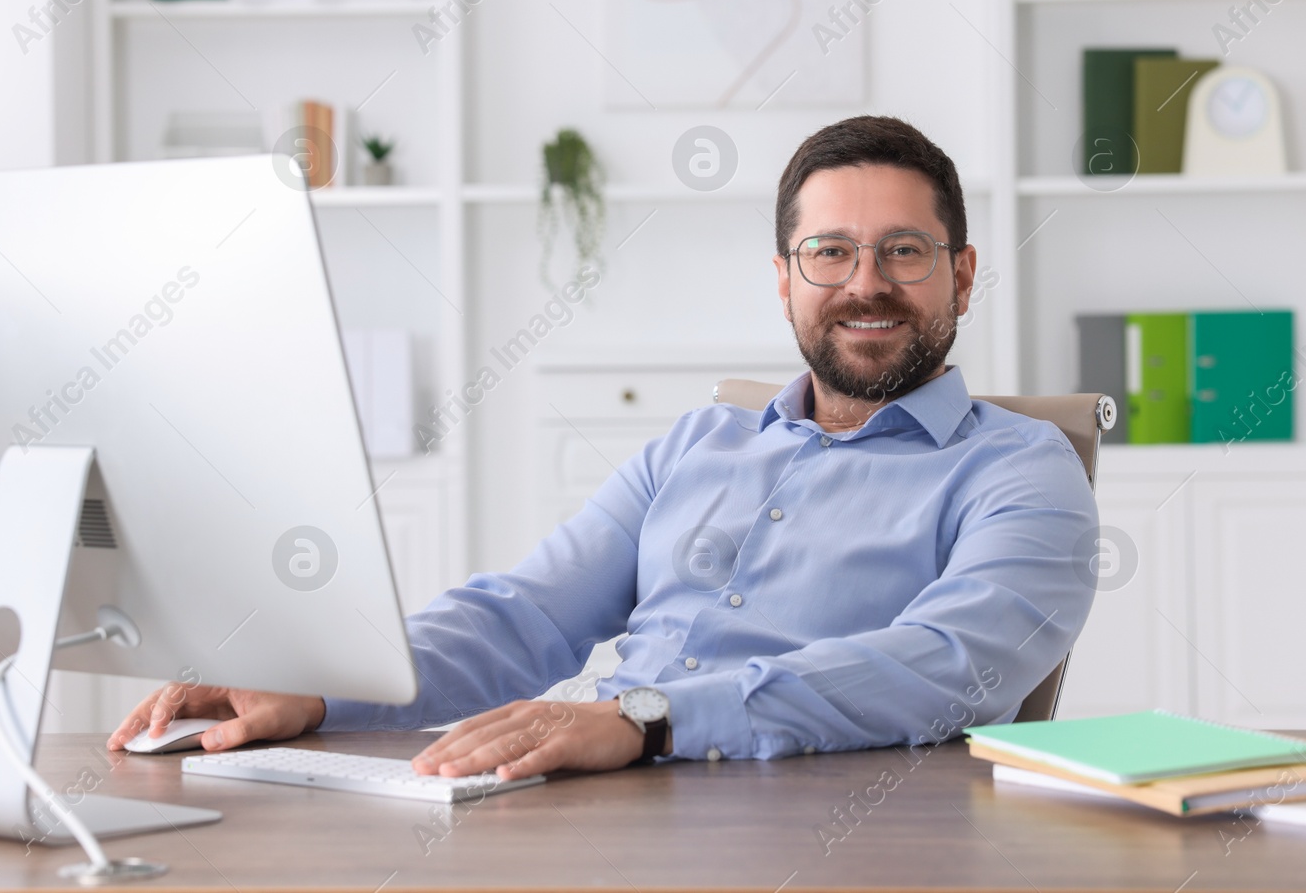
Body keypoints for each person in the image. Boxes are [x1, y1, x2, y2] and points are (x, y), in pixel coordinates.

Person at [109, 115, 1098, 780]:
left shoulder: (1021, 466)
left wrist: (649, 715)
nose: (864, 282)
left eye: (905, 251)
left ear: (962, 276)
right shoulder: (698, 444)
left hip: (830, 828)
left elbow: (945, 664)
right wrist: (319, 681)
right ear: (786, 278)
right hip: (601, 796)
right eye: (830, 252)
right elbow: (525, 615)